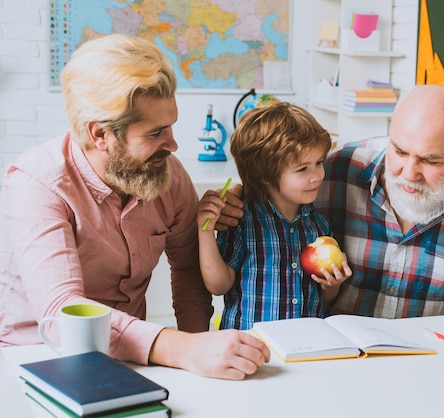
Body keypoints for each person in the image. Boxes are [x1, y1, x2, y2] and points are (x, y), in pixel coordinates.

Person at [0, 34, 269, 380]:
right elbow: (61, 312)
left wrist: (197, 352)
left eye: (171, 125)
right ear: (100, 135)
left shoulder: (168, 175)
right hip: (37, 358)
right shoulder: (37, 185)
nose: (173, 145)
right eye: (156, 133)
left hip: (133, 358)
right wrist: (183, 349)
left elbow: (187, 271)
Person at [216, 84, 444, 344]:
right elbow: (275, 186)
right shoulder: (342, 167)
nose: (409, 171)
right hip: (335, 353)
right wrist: (239, 195)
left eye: (431, 160)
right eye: (400, 150)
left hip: (433, 356)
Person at [198, 102, 351, 330]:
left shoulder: (319, 225)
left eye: (319, 163)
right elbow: (219, 286)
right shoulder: (242, 220)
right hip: (250, 346)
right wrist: (205, 232)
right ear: (265, 176)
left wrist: (332, 286)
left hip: (307, 345)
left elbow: (323, 299)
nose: (317, 176)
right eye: (302, 169)